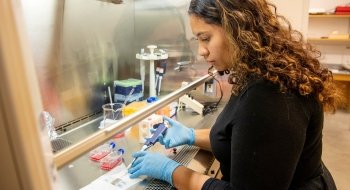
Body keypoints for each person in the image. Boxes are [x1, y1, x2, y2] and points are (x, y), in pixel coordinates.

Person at [128, 0, 339, 189]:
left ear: (235, 29)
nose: (201, 50)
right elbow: (248, 142)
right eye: (197, 40)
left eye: (206, 38)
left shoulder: (270, 94)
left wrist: (172, 172)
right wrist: (191, 136)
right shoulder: (258, 72)